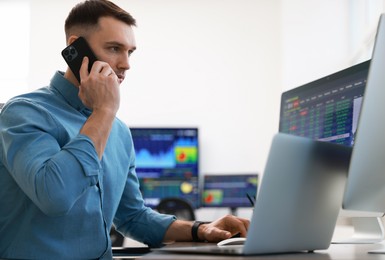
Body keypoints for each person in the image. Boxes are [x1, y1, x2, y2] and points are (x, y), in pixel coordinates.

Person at [0, 0, 250, 259]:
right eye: (114, 48)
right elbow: (55, 196)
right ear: (75, 48)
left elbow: (133, 216)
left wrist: (201, 229)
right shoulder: (23, 113)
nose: (126, 63)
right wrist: (104, 112)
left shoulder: (118, 131)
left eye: (130, 52)